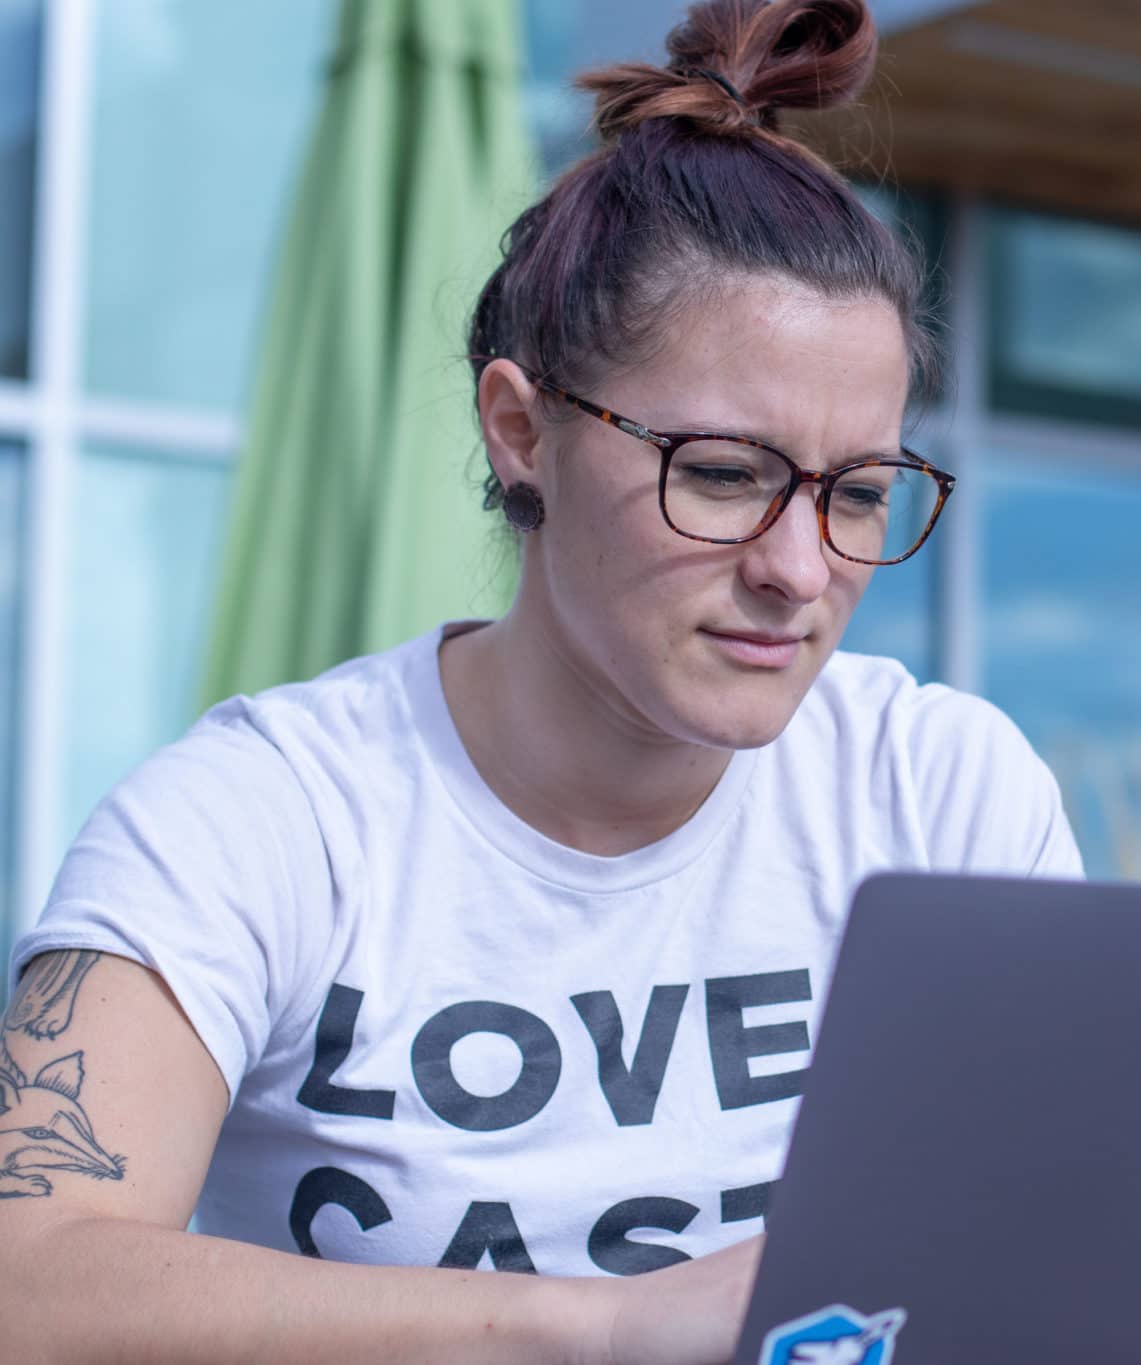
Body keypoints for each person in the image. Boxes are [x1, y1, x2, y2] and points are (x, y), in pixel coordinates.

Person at [0, 1, 1081, 1360]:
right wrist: (604, 1327)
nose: (801, 571)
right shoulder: (263, 817)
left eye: (858, 494)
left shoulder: (939, 791)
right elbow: (25, 1286)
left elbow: (1070, 1238)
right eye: (727, 474)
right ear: (522, 433)